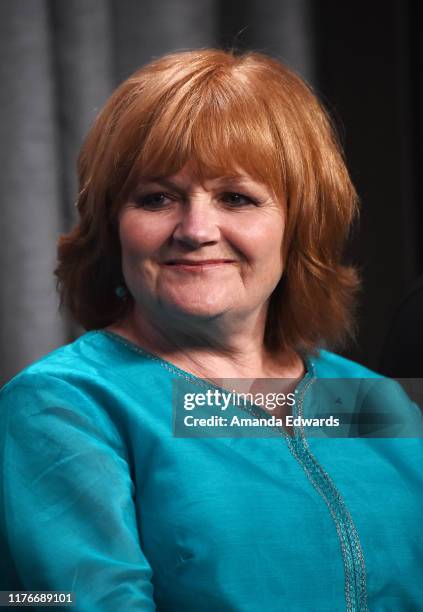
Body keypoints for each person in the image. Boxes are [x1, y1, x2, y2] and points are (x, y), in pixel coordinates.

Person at [0, 48, 422, 612]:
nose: (196, 230)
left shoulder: (373, 401)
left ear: (298, 226)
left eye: (236, 198)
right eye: (156, 198)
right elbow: (65, 602)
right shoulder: (61, 405)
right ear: (112, 227)